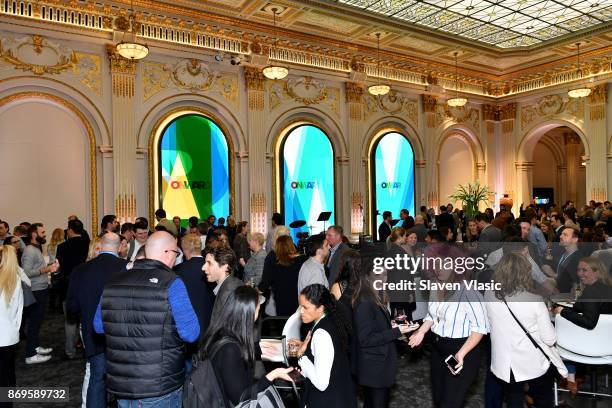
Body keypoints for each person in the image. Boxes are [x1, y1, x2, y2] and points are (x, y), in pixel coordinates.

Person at [93, 231, 200, 407]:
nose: (176, 259)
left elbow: (98, 326)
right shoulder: (172, 282)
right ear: (167, 253)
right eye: (176, 253)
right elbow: (191, 333)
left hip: (122, 383)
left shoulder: (113, 281)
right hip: (159, 383)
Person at [485, 253, 566, 408]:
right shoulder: (534, 300)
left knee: (513, 399)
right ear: (525, 273)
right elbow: (549, 339)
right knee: (543, 398)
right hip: (533, 363)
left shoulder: (489, 294)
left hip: (503, 362)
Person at [409, 260, 488, 408]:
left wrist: (461, 354)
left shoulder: (469, 292)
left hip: (462, 350)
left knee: (450, 403)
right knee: (438, 399)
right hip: (438, 349)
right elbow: (432, 316)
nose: (439, 270)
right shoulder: (435, 285)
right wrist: (421, 331)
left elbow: (480, 328)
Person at [199, 286, 294, 406]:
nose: (258, 314)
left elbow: (237, 352)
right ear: (249, 312)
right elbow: (241, 399)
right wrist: (272, 375)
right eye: (258, 308)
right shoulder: (229, 350)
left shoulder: (223, 331)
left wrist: (258, 348)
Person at [66, 233, 127, 408]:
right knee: (125, 381)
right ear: (120, 247)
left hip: (92, 332)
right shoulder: (127, 268)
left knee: (97, 378)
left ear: (100, 244)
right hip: (121, 334)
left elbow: (71, 307)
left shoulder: (80, 270)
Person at [352, 255, 418, 407]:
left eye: (386, 274)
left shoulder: (374, 295)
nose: (385, 278)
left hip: (376, 364)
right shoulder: (365, 301)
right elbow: (366, 339)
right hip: (374, 367)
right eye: (382, 274)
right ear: (370, 276)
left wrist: (392, 324)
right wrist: (396, 331)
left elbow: (373, 325)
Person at [295, 284, 357, 408]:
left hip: (328, 401)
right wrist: (306, 347)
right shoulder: (332, 319)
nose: (300, 311)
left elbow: (321, 383)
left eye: (305, 307)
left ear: (320, 308)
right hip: (342, 395)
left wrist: (301, 356)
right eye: (300, 306)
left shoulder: (321, 334)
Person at [21, 223, 58, 364]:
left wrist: (49, 268)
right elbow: (26, 272)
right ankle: (30, 355)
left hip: (41, 289)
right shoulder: (30, 250)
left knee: (37, 321)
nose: (45, 234)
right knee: (34, 322)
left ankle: (35, 347)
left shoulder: (36, 248)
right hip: (35, 291)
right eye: (42, 232)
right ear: (34, 234)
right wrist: (45, 270)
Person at [56, 218, 90, 359]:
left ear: (70, 230)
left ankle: (70, 351)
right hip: (86, 285)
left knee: (69, 321)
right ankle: (87, 348)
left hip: (68, 286)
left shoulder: (62, 247)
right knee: (86, 320)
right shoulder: (89, 244)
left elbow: (59, 268)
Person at [174, 234, 214, 335]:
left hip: (187, 323)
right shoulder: (213, 268)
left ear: (185, 250)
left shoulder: (178, 270)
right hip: (210, 320)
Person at [258, 235, 306, 316]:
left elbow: (266, 282)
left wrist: (257, 290)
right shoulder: (302, 260)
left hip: (281, 299)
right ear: (291, 245)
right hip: (299, 299)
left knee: (283, 325)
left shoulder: (273, 261)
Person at [0, 245, 24, 406]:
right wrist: (14, 330)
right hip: (9, 335)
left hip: (7, 334)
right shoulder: (15, 278)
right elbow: (18, 310)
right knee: (8, 373)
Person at [203, 247, 244, 325]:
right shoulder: (233, 284)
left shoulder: (227, 294)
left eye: (209, 263)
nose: (203, 268)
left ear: (225, 266)